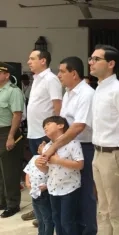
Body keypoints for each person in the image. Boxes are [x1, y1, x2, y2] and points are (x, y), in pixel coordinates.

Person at [40, 57, 97, 235]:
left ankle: (87, 230)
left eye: (62, 71)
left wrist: (52, 147)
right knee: (70, 195)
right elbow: (62, 123)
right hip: (65, 146)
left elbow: (78, 126)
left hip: (84, 146)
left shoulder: (86, 94)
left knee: (85, 193)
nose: (58, 75)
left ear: (74, 73)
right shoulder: (68, 92)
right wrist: (52, 144)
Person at [89, 44, 119, 235]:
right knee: (103, 208)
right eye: (91, 58)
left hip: (114, 154)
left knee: (116, 209)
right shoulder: (98, 89)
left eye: (97, 59)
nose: (91, 62)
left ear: (111, 63)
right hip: (97, 153)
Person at [23, 49, 62, 223]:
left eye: (32, 59)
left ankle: (47, 213)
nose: (29, 62)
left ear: (43, 61)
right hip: (33, 133)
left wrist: (53, 136)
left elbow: (57, 107)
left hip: (44, 135)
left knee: (46, 173)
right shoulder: (37, 79)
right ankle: (38, 208)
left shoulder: (51, 79)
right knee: (35, 172)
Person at [35, 116, 84, 235]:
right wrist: (39, 165)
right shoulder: (47, 147)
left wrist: (58, 161)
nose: (45, 127)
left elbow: (80, 164)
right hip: (53, 189)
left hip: (70, 188)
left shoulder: (73, 143)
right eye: (43, 126)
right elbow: (47, 170)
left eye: (48, 124)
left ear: (61, 125)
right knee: (57, 220)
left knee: (68, 222)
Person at [0, 62, 25, 218]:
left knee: (10, 170)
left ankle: (13, 204)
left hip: (8, 132)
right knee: (0, 170)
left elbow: (17, 114)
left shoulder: (13, 91)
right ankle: (2, 201)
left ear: (6, 75)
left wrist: (10, 136)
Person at [23, 154, 53, 235]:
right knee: (39, 218)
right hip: (34, 193)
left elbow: (54, 176)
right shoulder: (34, 158)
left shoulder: (51, 159)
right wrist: (27, 182)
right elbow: (27, 171)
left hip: (44, 193)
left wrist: (47, 186)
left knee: (47, 219)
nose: (41, 145)